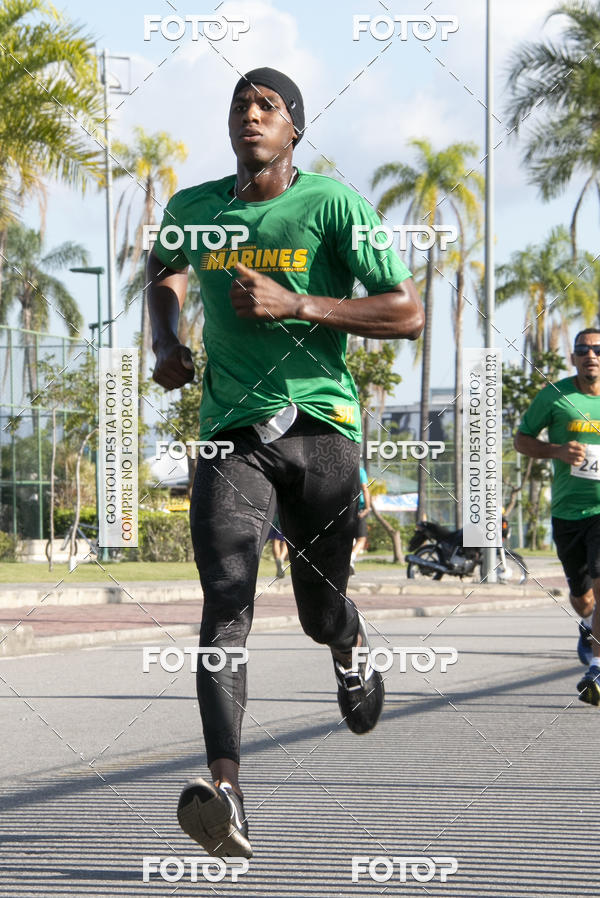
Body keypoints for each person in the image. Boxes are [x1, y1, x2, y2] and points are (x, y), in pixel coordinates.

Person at [148, 66, 424, 858]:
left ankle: (347, 650)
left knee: (317, 610)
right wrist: (168, 341)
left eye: (268, 106)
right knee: (226, 595)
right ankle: (226, 790)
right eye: (240, 105)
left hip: (323, 432)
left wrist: (296, 303)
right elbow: (163, 274)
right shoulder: (195, 209)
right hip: (232, 433)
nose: (251, 114)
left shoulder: (332, 204)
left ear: (294, 127)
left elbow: (406, 311)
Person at [515, 328, 600, 706]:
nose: (591, 355)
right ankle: (587, 624)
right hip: (568, 512)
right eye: (583, 349)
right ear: (573, 358)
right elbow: (521, 439)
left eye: (597, 349)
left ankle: (597, 667)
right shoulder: (556, 395)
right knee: (583, 597)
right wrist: (557, 451)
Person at [350, 465, 371, 574]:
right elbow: (364, 488)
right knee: (361, 539)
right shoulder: (360, 470)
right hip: (358, 509)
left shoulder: (340, 468)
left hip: (343, 509)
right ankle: (351, 559)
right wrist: (367, 507)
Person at [268, 508, 288, 578]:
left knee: (275, 542)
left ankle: (278, 561)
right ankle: (281, 559)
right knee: (286, 541)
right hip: (285, 516)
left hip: (274, 516)